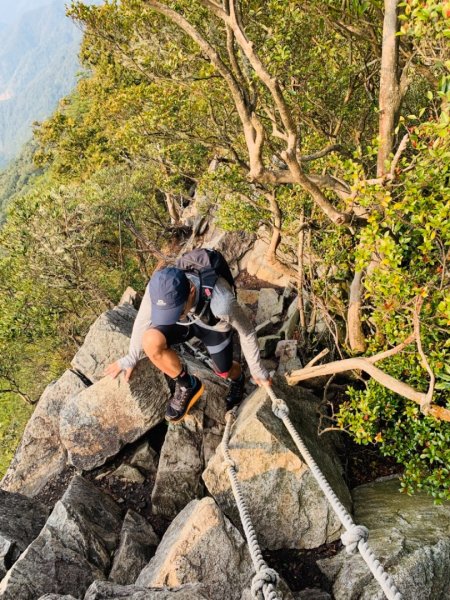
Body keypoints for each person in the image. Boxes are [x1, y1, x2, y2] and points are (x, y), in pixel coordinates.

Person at [105, 263, 271, 423]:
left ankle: (238, 377)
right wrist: (131, 357)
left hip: (213, 325)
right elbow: (142, 320)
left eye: (176, 312)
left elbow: (247, 332)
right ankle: (187, 385)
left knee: (224, 371)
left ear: (191, 291)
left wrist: (256, 368)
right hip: (187, 320)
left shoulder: (222, 303)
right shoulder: (159, 289)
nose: (172, 318)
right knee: (151, 341)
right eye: (168, 314)